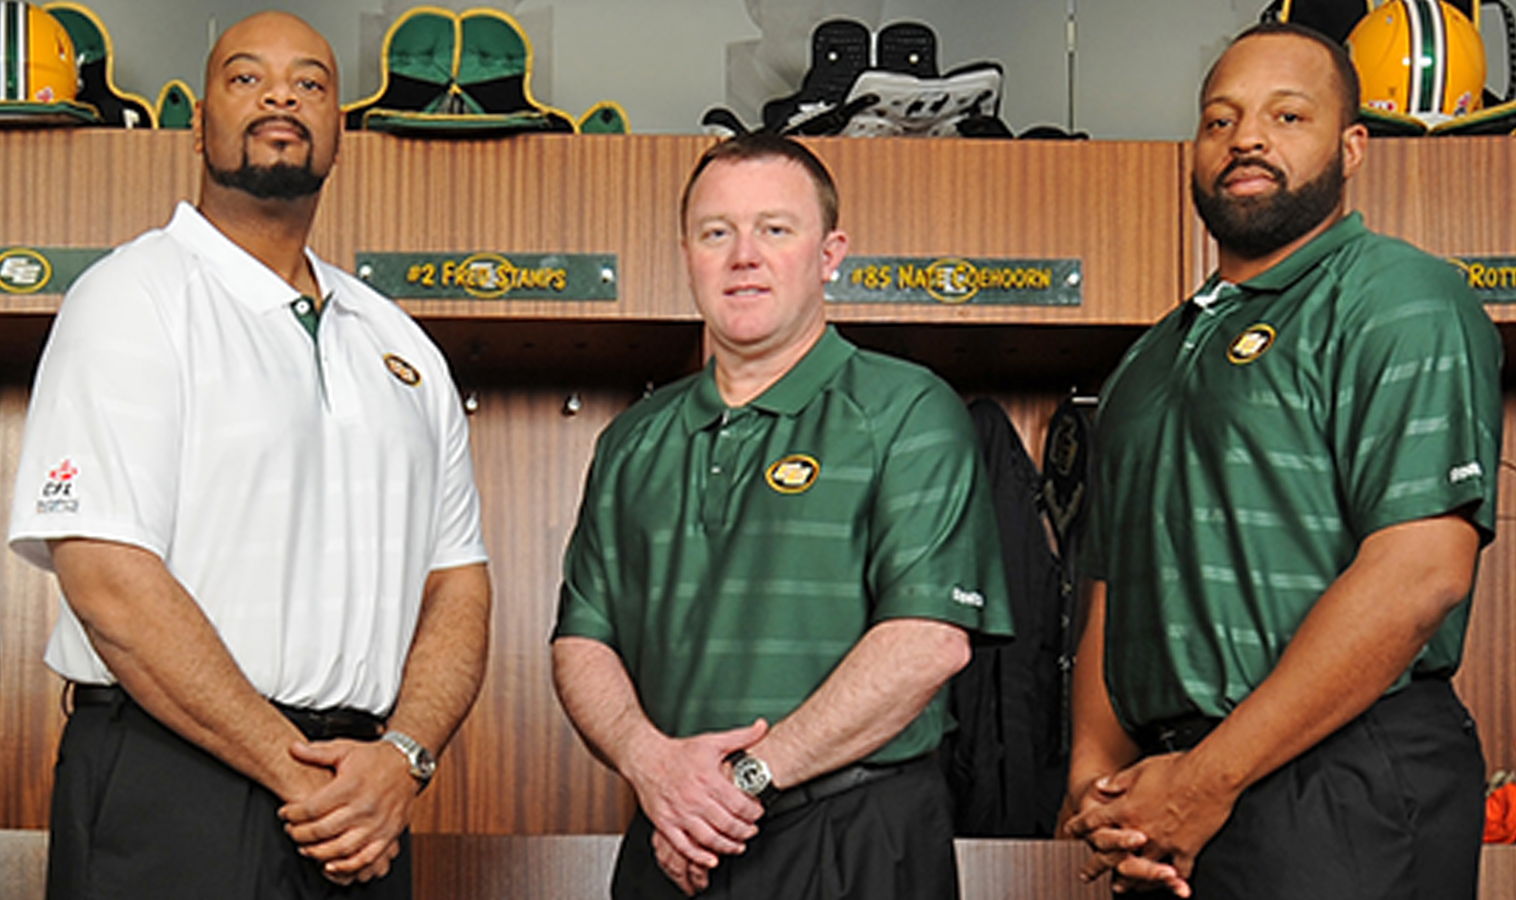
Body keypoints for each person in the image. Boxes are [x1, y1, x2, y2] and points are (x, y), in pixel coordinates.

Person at [6, 11, 491, 898]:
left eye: (311, 82)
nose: (281, 96)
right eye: (246, 77)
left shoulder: (401, 344)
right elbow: (108, 578)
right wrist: (296, 771)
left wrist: (403, 760)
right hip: (174, 782)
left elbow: (457, 584)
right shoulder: (130, 296)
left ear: (340, 128)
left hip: (362, 795)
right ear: (198, 121)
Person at [1065, 22, 1500, 899]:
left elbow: (1421, 575)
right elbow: (1116, 586)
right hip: (1174, 788)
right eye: (1220, 120)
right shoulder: (1146, 362)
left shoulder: (1398, 294)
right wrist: (1096, 788)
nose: (1247, 138)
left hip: (1342, 775)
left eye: (1287, 115)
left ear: (1351, 148)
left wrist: (1203, 781)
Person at [552, 132, 1012, 899]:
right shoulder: (632, 440)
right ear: (687, 252)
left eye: (775, 229)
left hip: (856, 835)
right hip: (675, 837)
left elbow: (928, 644)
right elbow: (580, 642)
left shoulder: (909, 410)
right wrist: (652, 765)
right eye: (716, 232)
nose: (743, 255)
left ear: (830, 253)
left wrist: (741, 782)